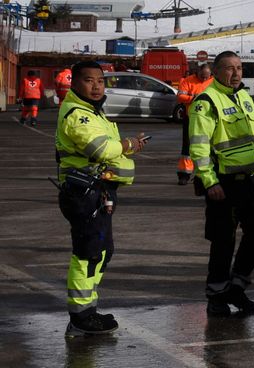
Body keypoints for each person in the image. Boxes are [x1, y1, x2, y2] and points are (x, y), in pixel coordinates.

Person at [56, 61, 146, 336]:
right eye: (88, 80)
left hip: (98, 192)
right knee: (88, 254)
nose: (96, 86)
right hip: (84, 193)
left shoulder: (94, 113)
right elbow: (101, 149)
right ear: (74, 84)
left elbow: (109, 151)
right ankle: (81, 315)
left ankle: (88, 310)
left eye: (100, 81)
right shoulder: (78, 114)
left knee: (101, 252)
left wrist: (124, 149)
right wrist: (128, 145)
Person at [189, 51, 254, 316]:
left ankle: (237, 287)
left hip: (252, 180)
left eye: (239, 68)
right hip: (224, 183)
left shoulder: (245, 97)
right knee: (223, 241)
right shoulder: (206, 102)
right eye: (229, 68)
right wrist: (209, 181)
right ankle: (216, 296)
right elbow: (199, 148)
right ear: (215, 71)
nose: (235, 73)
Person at [176, 63, 214, 185]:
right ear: (198, 72)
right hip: (191, 118)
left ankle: (204, 175)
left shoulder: (214, 82)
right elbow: (180, 96)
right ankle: (184, 174)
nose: (204, 79)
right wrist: (193, 99)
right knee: (187, 147)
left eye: (206, 77)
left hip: (208, 119)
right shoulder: (188, 81)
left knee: (207, 147)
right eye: (202, 76)